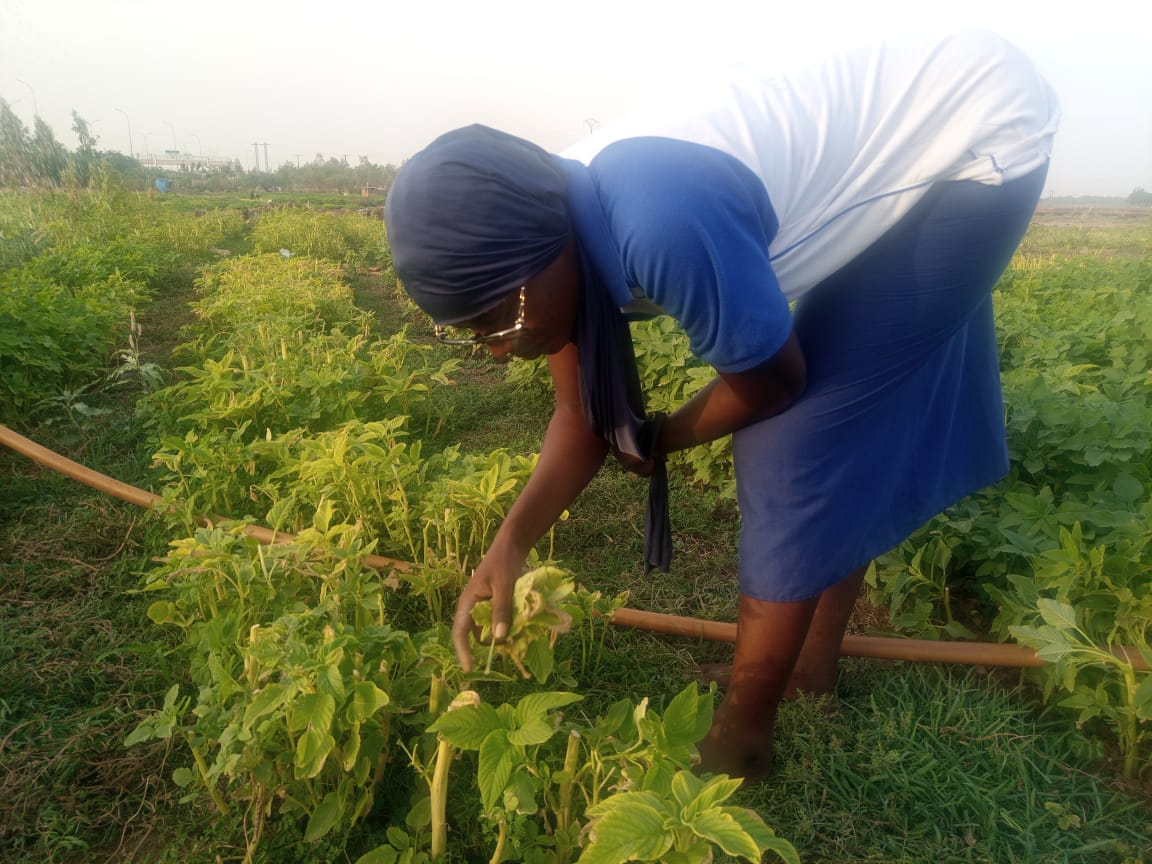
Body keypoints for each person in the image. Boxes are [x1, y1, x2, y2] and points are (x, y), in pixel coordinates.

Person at [384, 29, 1059, 779]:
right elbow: (581, 416)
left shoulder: (657, 220)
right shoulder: (550, 219)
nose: (500, 347)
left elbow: (775, 382)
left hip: (974, 147)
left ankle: (746, 734)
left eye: (498, 318)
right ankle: (809, 662)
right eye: (474, 334)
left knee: (793, 445)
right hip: (922, 127)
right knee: (838, 419)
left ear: (539, 255)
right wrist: (508, 545)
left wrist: (664, 437)